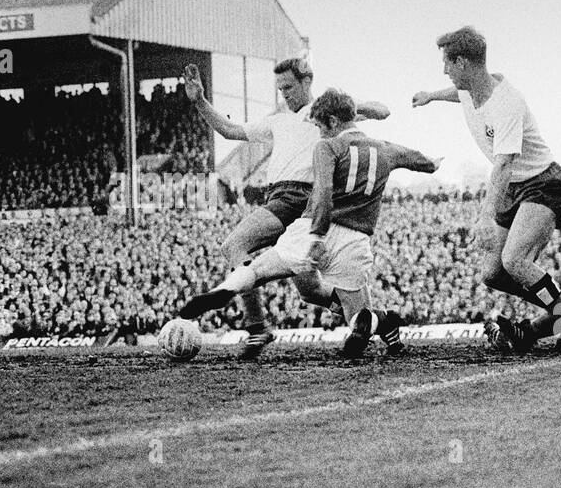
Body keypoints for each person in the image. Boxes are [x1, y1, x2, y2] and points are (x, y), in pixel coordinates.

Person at [178, 89, 440, 358]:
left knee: (256, 271)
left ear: (333, 122)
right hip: (355, 242)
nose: (318, 131)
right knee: (356, 316)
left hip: (311, 233)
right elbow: (425, 163)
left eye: (319, 125)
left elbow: (324, 194)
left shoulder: (327, 146)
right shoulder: (386, 149)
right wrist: (434, 163)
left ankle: (224, 290)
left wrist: (316, 238)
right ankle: (375, 321)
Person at [411, 26, 561, 353]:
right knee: (493, 273)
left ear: (462, 62)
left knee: (515, 259)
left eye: (447, 64)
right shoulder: (471, 88)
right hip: (515, 186)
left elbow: (503, 166)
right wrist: (431, 96)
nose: (444, 71)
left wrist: (486, 218)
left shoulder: (506, 103)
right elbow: (456, 93)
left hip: (541, 181)